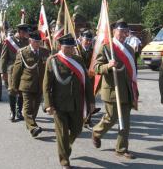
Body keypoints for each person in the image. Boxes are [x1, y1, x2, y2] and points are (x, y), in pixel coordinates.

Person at [43, 33, 95, 169]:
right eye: (68, 47)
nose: (71, 50)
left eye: (72, 47)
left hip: (77, 102)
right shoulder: (53, 60)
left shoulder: (78, 59)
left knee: (77, 129)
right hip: (59, 104)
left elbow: (87, 82)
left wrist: (91, 101)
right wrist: (48, 104)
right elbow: (46, 85)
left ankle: (66, 147)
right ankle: (64, 161)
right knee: (62, 134)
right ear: (61, 46)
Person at [92, 19, 138, 159]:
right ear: (114, 31)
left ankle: (121, 148)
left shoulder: (130, 49)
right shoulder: (106, 47)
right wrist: (108, 66)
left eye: (126, 32)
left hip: (127, 89)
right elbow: (96, 68)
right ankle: (96, 133)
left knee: (125, 122)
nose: (123, 34)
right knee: (111, 118)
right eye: (121, 31)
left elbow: (132, 71)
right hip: (113, 89)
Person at [10, 31, 50, 134]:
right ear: (30, 41)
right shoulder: (23, 52)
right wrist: (14, 86)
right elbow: (16, 70)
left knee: (35, 107)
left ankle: (31, 123)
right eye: (35, 42)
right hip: (26, 84)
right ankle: (33, 127)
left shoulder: (45, 52)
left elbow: (49, 69)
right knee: (27, 107)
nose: (37, 44)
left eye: (39, 42)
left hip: (40, 85)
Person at [0, 24, 29, 121]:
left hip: (24, 69)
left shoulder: (26, 41)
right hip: (12, 69)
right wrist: (2, 72)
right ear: (20, 32)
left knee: (21, 90)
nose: (26, 34)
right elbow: (3, 58)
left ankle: (18, 111)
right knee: (12, 90)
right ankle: (12, 111)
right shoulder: (9, 41)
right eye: (24, 32)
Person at [79, 30, 101, 127]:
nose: (88, 42)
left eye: (90, 40)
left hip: (90, 77)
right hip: (79, 78)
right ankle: (79, 118)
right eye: (86, 40)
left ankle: (88, 119)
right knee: (79, 98)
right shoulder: (76, 50)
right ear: (81, 39)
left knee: (89, 98)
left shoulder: (93, 52)